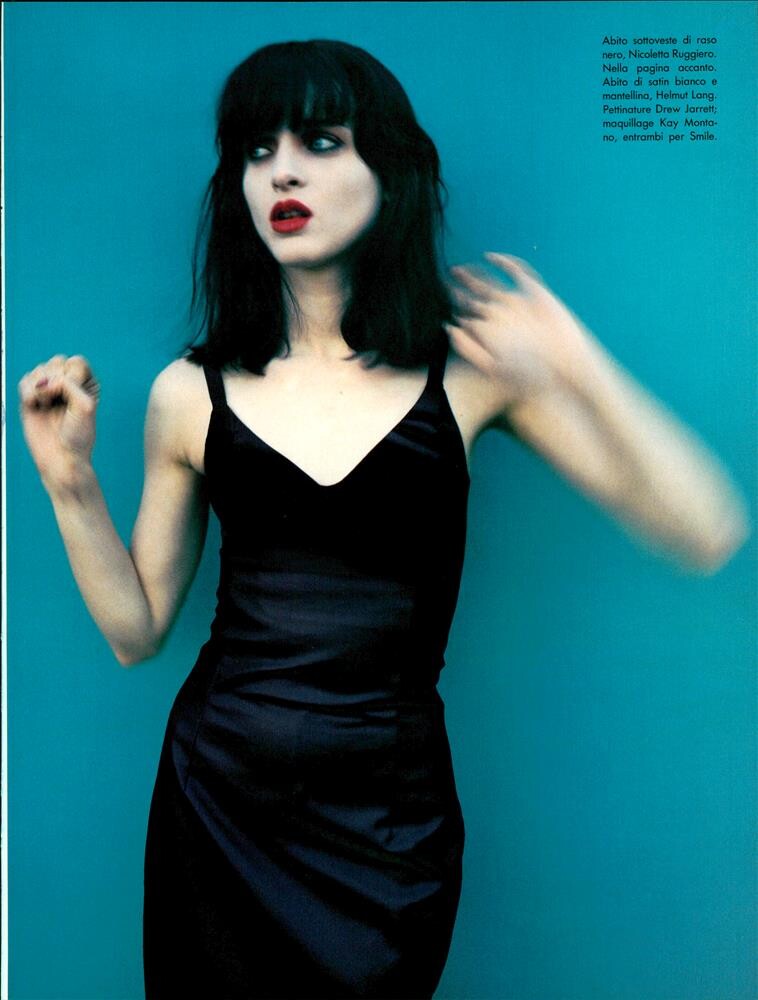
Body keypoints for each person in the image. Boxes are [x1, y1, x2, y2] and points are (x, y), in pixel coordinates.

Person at [18, 39, 749, 1000]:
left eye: (320, 141)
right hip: (219, 805)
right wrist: (68, 478)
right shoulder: (188, 393)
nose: (281, 172)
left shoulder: (475, 373)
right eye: (256, 150)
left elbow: (707, 528)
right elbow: (135, 631)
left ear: (390, 171)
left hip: (388, 829)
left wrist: (578, 364)